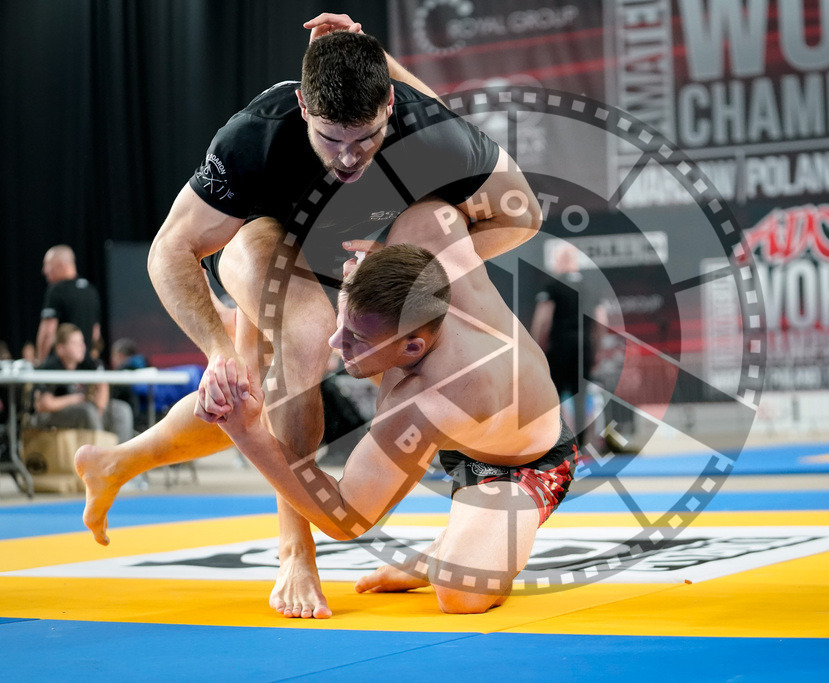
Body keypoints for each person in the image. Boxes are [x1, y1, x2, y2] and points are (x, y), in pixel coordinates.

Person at [76, 14, 541, 619]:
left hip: (356, 264)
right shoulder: (255, 136)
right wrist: (215, 347)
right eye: (329, 139)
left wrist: (429, 264)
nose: (347, 159)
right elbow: (170, 250)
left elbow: (523, 214)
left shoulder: (430, 133)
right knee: (299, 339)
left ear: (390, 106)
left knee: (253, 390)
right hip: (265, 244)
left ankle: (116, 460)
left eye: (365, 139)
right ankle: (295, 550)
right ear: (301, 106)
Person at [209, 199, 574, 613]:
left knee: (460, 594)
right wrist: (383, 268)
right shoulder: (426, 238)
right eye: (341, 320)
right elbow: (483, 209)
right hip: (476, 422)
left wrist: (247, 432)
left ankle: (443, 554)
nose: (335, 342)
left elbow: (345, 518)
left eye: (356, 339)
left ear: (413, 346)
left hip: (525, 463)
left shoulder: (435, 399)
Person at [530, 244, 608, 448]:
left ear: (559, 262)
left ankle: (556, 443)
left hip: (560, 346)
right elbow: (601, 322)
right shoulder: (590, 287)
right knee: (581, 396)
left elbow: (542, 320)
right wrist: (596, 349)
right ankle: (580, 446)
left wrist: (537, 348)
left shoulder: (552, 286)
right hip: (584, 347)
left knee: (553, 396)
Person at [29, 324, 133, 444]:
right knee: (87, 411)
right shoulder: (50, 367)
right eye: (75, 343)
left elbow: (103, 383)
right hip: (49, 416)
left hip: (84, 410)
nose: (81, 347)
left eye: (82, 342)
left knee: (121, 410)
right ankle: (98, 457)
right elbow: (44, 405)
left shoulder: (86, 362)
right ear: (60, 348)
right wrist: (74, 399)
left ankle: (120, 456)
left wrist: (100, 408)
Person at [36, 245, 102, 362]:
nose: (44, 271)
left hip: (62, 367)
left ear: (61, 265)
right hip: (85, 364)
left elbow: (47, 332)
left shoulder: (56, 290)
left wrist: (41, 364)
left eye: (47, 265)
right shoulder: (90, 290)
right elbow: (95, 334)